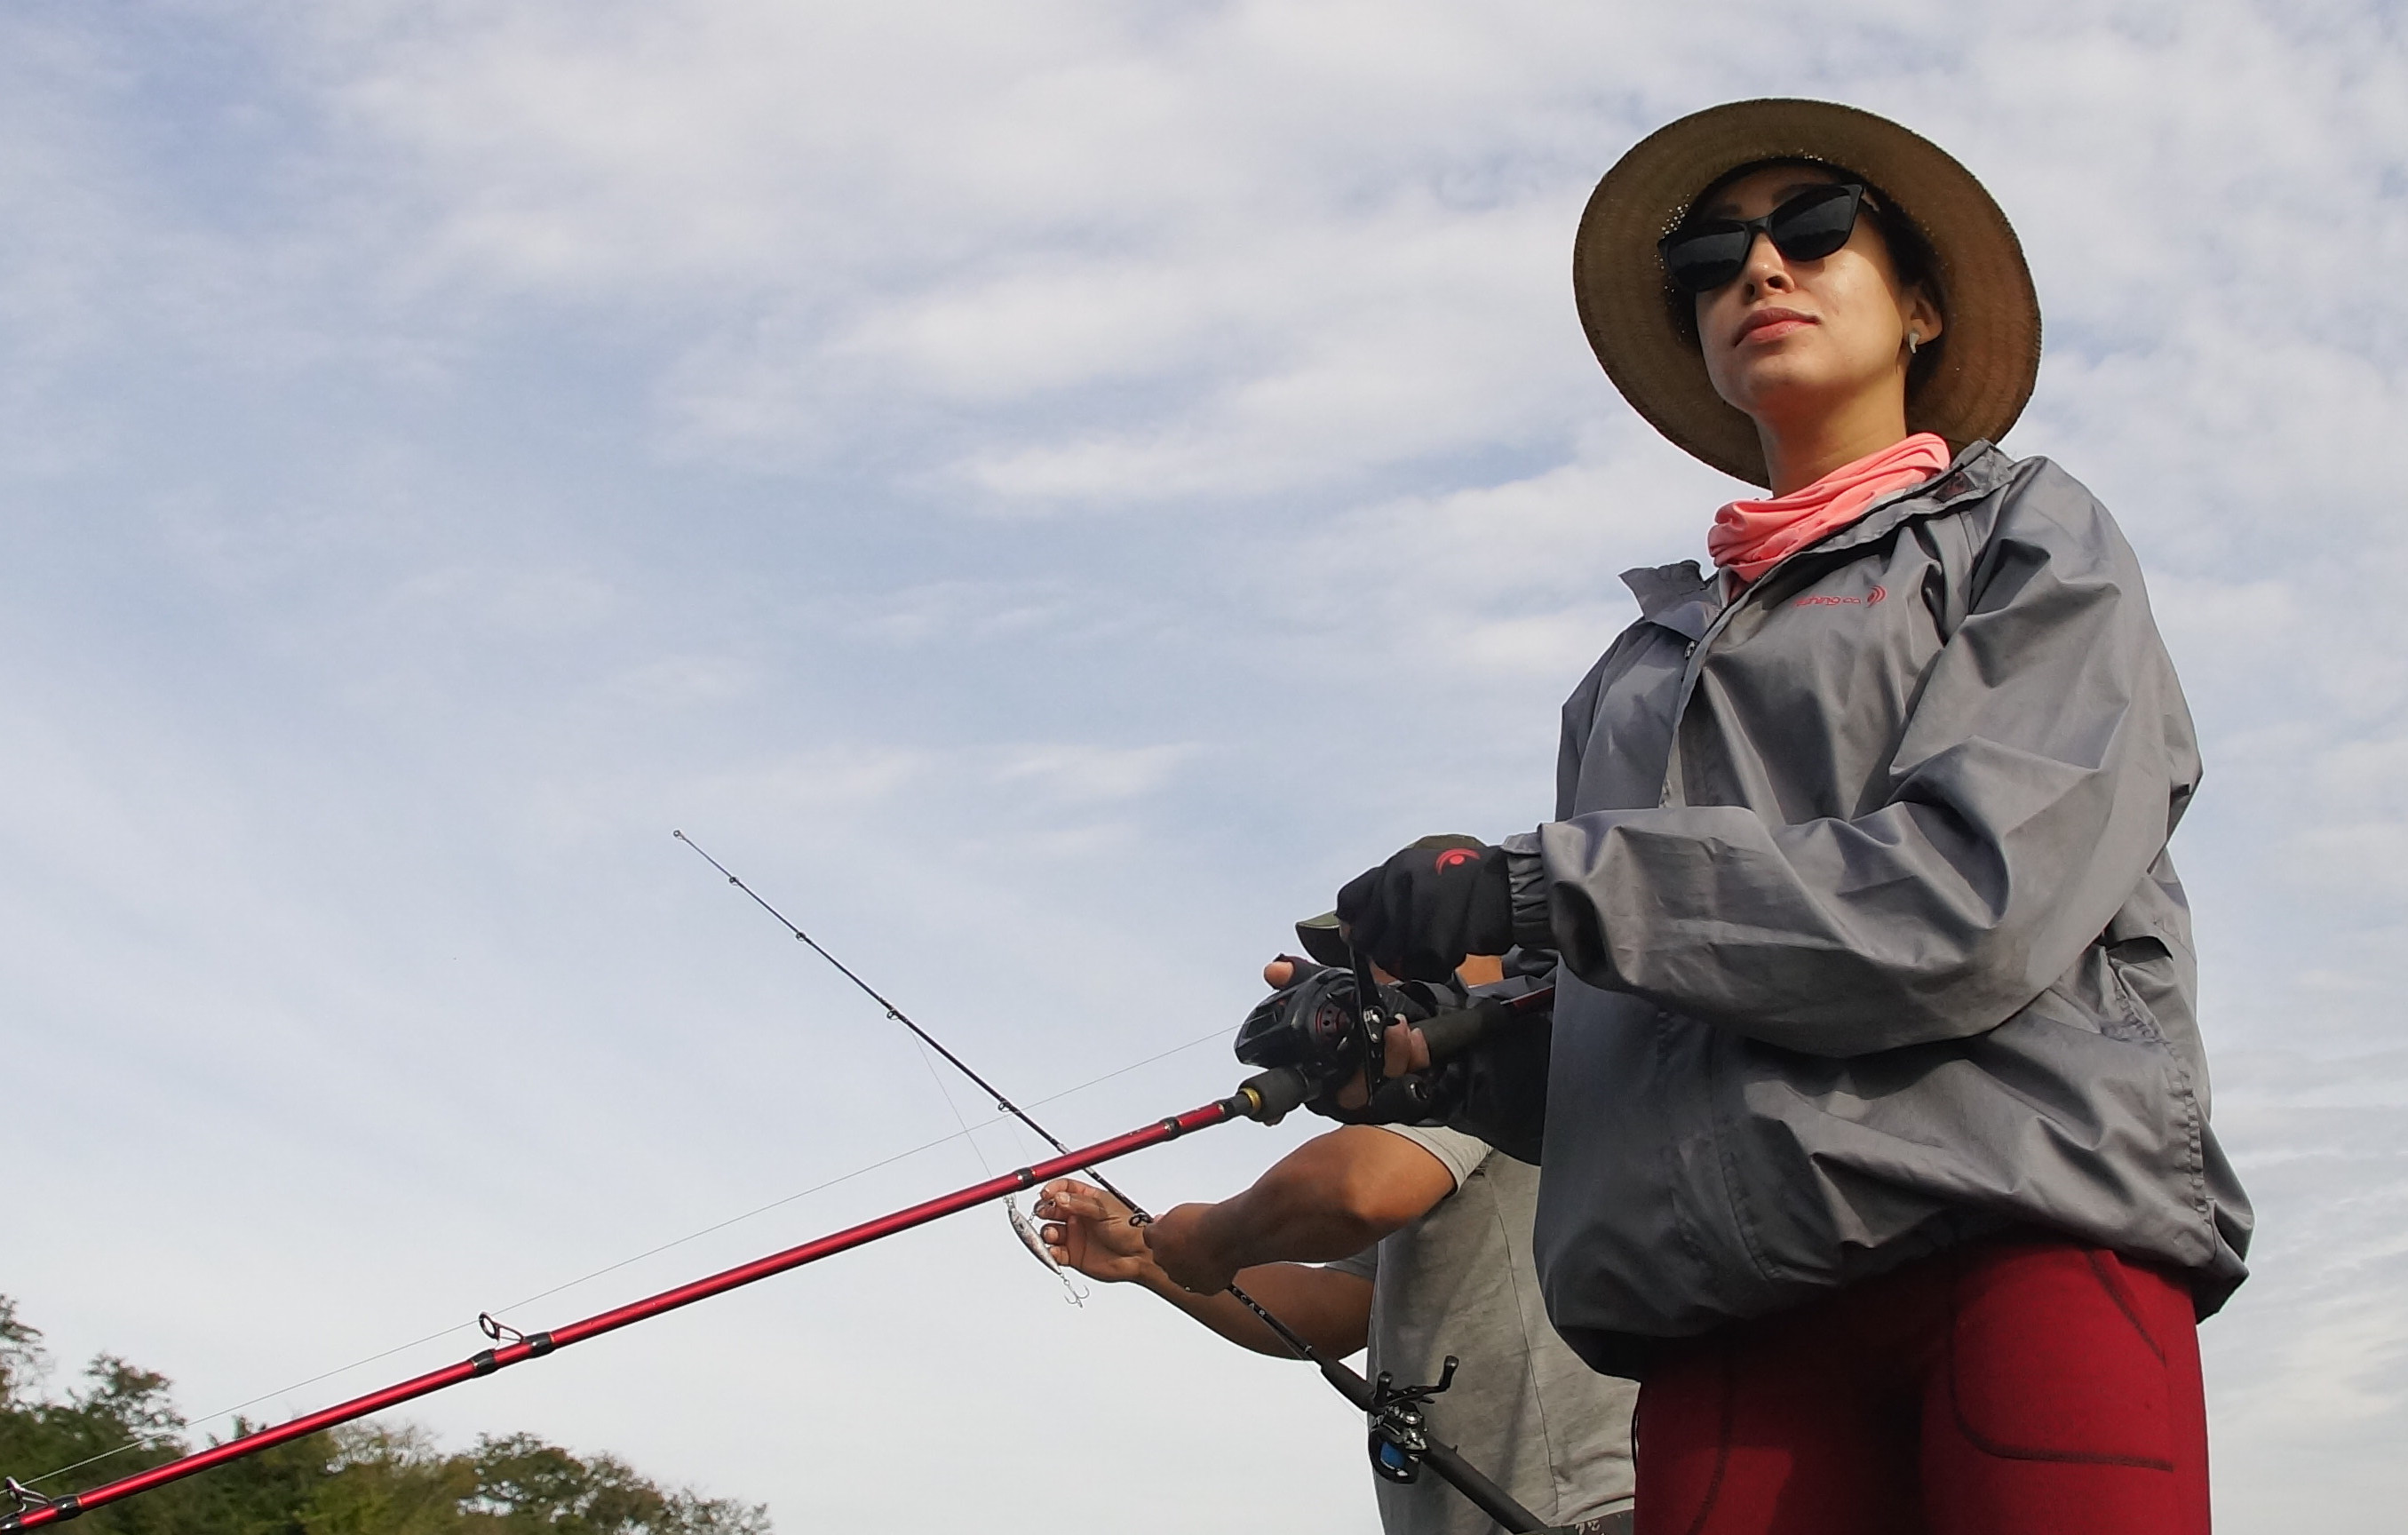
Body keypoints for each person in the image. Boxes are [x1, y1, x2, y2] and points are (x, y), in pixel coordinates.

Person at [1323, 99, 2253, 1535]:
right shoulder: (1625, 679)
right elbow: (1636, 1022)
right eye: (1709, 257)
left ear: (1924, 304)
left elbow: (1968, 900)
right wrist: (1430, 1052)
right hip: (1718, 1320)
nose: (1758, 269)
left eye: (1813, 230)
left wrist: (1533, 889)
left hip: (2021, 1239)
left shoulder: (2030, 535)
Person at [1036, 949, 1638, 1535]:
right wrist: (1146, 1254)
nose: (1359, 980)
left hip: (1584, 1512)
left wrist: (1212, 1236)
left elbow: (1356, 1189)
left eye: (1375, 950)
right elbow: (1336, 1308)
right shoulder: (1439, 1104)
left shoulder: (1488, 1048)